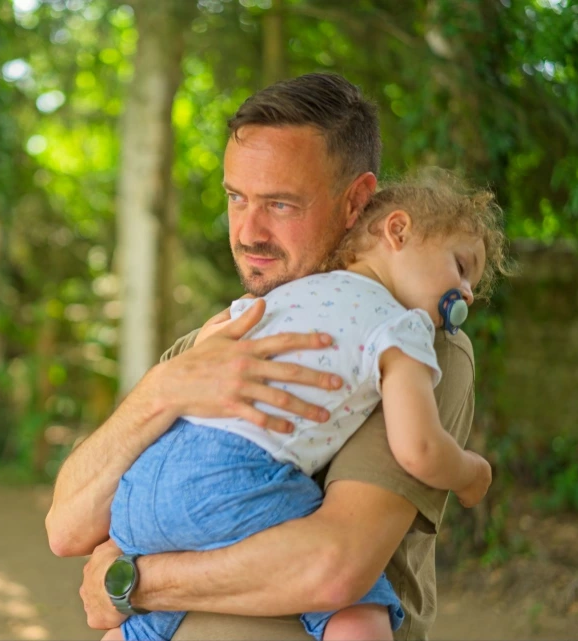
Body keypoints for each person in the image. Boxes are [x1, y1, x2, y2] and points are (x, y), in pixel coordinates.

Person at [45, 73, 488, 640]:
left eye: (280, 203)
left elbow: (332, 564)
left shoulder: (413, 338)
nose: (248, 231)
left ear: (356, 200)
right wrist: (163, 389)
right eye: (236, 198)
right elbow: (67, 526)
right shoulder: (227, 332)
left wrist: (135, 582)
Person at [100, 175, 507, 641]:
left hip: (144, 490)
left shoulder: (277, 297)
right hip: (234, 478)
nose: (467, 295)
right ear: (397, 231)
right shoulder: (405, 327)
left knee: (141, 628)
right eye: (460, 268)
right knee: (356, 606)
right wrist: (471, 474)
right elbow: (417, 448)